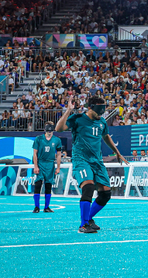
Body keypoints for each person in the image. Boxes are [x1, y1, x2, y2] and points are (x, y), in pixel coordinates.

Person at [55, 97, 128, 234]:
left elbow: (106, 136)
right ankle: (83, 225)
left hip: (97, 161)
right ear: (90, 107)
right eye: (99, 109)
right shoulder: (77, 119)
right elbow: (58, 129)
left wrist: (117, 152)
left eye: (103, 109)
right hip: (81, 159)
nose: (101, 112)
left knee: (105, 193)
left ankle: (88, 218)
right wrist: (69, 110)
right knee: (88, 186)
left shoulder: (101, 121)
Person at [31, 122, 62, 213]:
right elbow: (35, 153)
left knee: (48, 185)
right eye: (48, 131)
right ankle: (36, 207)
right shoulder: (39, 139)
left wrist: (58, 167)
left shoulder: (57, 140)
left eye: (51, 131)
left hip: (50, 164)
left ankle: (46, 207)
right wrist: (36, 166)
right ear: (45, 130)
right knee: (38, 184)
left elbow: (59, 154)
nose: (49, 133)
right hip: (41, 163)